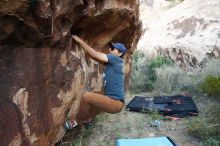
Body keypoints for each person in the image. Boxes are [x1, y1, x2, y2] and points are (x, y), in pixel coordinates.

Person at [64, 35, 126, 130]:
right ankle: (88, 119)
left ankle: (75, 121)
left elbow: (94, 54)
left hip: (115, 103)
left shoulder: (115, 59)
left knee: (86, 96)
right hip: (114, 101)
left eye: (113, 48)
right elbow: (96, 57)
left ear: (120, 53)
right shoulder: (115, 63)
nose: (110, 49)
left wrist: (80, 41)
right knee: (95, 94)